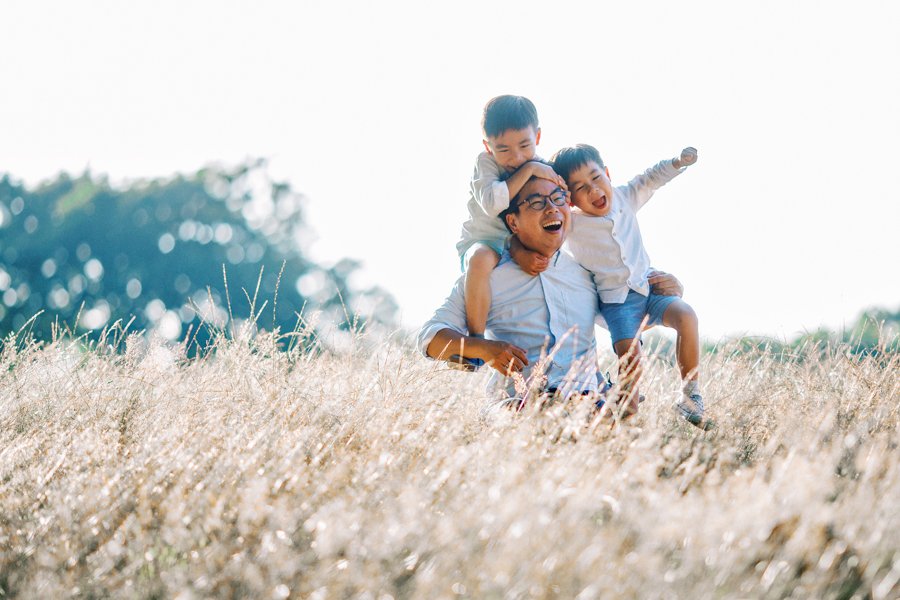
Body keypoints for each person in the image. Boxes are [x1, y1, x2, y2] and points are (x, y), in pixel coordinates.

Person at [420, 174, 684, 407]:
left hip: (585, 402)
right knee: (510, 415)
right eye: (537, 202)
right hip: (517, 406)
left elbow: (626, 321)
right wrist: (485, 349)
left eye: (559, 198)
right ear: (513, 222)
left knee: (601, 417)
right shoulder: (488, 276)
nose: (552, 208)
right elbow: (430, 339)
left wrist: (668, 294)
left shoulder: (589, 271)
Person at [551, 144, 709, 428]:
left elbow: (650, 178)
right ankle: (628, 412)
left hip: (647, 288)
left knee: (686, 315)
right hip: (616, 302)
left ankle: (689, 395)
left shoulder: (625, 196)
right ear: (571, 199)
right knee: (629, 351)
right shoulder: (572, 223)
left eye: (596, 178)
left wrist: (677, 161)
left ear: (608, 174)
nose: (594, 191)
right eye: (581, 188)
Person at [456, 95, 565, 342]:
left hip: (519, 240)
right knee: (480, 259)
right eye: (503, 149)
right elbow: (493, 204)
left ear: (537, 137)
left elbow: (562, 198)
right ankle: (476, 336)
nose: (516, 157)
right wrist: (530, 170)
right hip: (486, 240)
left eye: (524, 146)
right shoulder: (486, 163)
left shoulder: (542, 166)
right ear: (488, 146)